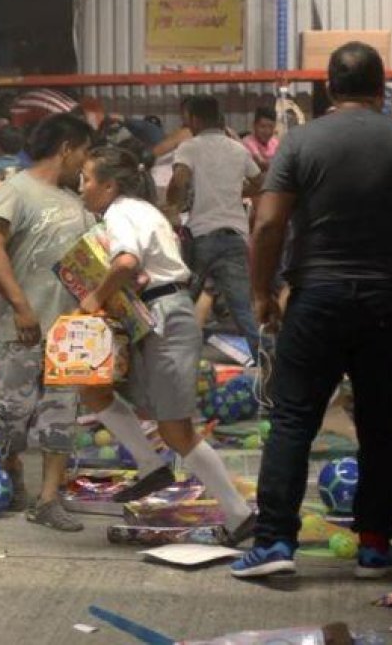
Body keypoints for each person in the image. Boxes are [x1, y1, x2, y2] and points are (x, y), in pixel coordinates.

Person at [233, 43, 392, 579]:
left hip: (319, 297)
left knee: (292, 419)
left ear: (329, 88)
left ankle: (274, 545)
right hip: (390, 301)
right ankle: (375, 546)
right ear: (382, 88)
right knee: (383, 426)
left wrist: (262, 293)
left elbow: (267, 225)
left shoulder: (301, 141)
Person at [77, 145, 255, 546]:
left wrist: (94, 299)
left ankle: (239, 513)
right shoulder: (138, 212)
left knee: (176, 430)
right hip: (148, 318)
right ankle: (150, 465)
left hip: (165, 319)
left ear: (109, 185)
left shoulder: (123, 212)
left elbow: (124, 263)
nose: (82, 187)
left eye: (87, 179)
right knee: (92, 388)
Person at [0, 114, 96, 530]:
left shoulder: (77, 205)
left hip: (69, 332)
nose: (84, 163)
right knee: (14, 412)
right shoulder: (17, 190)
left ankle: (48, 499)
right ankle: (9, 474)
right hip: (23, 328)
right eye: (83, 152)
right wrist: (21, 306)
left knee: (61, 414)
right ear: (67, 147)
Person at [166, 95, 263, 357]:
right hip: (234, 238)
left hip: (202, 238)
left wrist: (173, 204)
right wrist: (233, 189)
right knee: (243, 308)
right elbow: (259, 182)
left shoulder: (190, 147)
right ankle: (267, 363)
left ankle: (174, 355)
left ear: (195, 119)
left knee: (183, 301)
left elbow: (179, 181)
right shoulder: (238, 149)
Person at [241, 106, 279, 172]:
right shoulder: (247, 142)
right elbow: (261, 163)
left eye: (271, 127)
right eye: (263, 126)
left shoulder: (275, 142)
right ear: (254, 125)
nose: (267, 131)